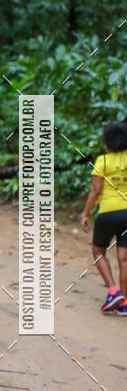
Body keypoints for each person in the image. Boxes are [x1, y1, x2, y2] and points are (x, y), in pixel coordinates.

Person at [82, 121, 127, 314]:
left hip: (108, 213)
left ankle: (113, 291)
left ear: (106, 143)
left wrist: (85, 214)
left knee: (98, 251)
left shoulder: (103, 161)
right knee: (124, 259)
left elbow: (95, 190)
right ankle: (124, 305)